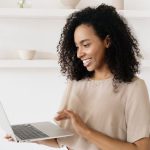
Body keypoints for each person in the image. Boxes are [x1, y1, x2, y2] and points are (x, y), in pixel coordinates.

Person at [6, 4, 150, 150]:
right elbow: (63, 140)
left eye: (86, 45)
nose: (79, 53)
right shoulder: (76, 83)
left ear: (107, 41)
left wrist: (86, 131)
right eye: (77, 46)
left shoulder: (133, 87)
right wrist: (28, 136)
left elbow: (142, 148)